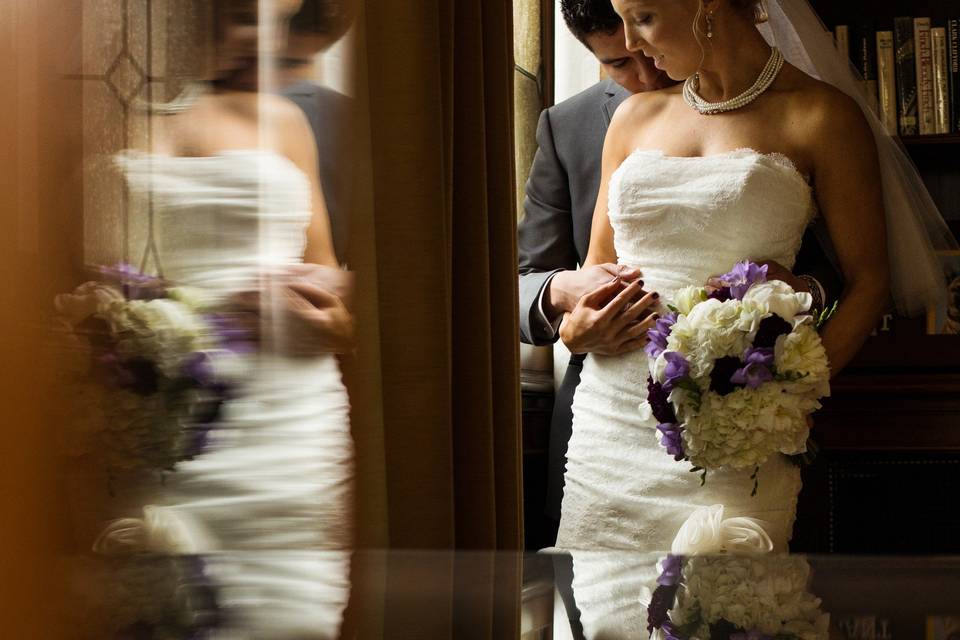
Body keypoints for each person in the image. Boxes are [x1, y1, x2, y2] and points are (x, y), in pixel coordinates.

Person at [518, 0, 841, 546]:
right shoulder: (593, 123)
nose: (640, 60)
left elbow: (855, 277)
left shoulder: (815, 115)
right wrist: (567, 316)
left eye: (641, 22)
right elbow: (568, 270)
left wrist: (797, 382)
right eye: (618, 60)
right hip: (611, 418)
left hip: (740, 405)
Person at [101, 1, 355, 636]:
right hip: (148, 411)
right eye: (240, 14)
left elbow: (334, 288)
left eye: (272, 17)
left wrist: (329, 320)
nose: (260, 38)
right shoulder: (89, 107)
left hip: (288, 418)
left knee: (293, 610)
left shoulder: (282, 120)